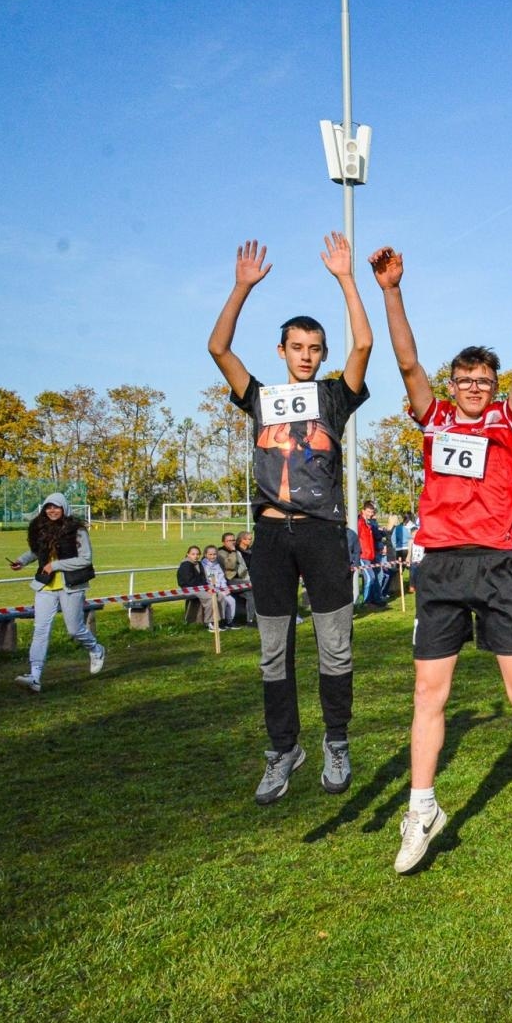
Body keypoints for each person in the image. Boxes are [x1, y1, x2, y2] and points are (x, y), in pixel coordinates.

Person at [372, 244, 512, 874]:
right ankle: (421, 807)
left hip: (500, 566)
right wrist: (391, 291)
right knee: (429, 694)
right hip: (442, 569)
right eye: (467, 381)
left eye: (485, 381)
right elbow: (405, 360)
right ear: (452, 384)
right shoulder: (431, 420)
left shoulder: (508, 425)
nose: (477, 389)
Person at [208, 234, 372, 805]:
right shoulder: (260, 396)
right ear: (281, 351)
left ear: (322, 354)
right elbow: (218, 349)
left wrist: (346, 279)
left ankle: (336, 741)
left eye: (315, 347)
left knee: (336, 649)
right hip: (273, 535)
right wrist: (242, 287)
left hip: (324, 534)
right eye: (297, 346)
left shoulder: (333, 397)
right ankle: (282, 751)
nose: (306, 353)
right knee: (272, 652)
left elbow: (365, 346)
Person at [7, 492, 106, 693]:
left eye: (56, 507)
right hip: (45, 586)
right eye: (48, 507)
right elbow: (37, 551)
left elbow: (85, 559)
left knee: (74, 629)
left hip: (72, 585)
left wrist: (56, 565)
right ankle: (35, 676)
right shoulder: (41, 529)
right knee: (41, 629)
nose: (52, 510)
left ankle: (96, 649)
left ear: (64, 508)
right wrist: (21, 561)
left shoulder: (77, 531)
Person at [203, 546, 238, 628]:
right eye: (210, 554)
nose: (212, 556)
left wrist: (225, 588)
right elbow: (207, 580)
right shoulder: (203, 566)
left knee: (231, 600)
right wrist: (212, 588)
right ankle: (217, 622)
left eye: (214, 554)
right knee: (221, 600)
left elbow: (221, 578)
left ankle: (229, 621)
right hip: (210, 589)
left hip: (220, 588)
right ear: (205, 555)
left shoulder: (217, 565)